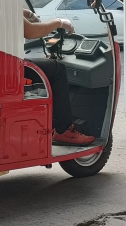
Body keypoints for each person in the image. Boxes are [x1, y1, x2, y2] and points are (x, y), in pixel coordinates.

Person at [23, 9, 95, 146]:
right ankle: (63, 130)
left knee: (45, 67)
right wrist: (59, 22)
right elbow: (32, 31)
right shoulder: (2, 2)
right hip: (8, 65)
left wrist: (28, 14)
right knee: (58, 69)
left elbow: (14, 12)